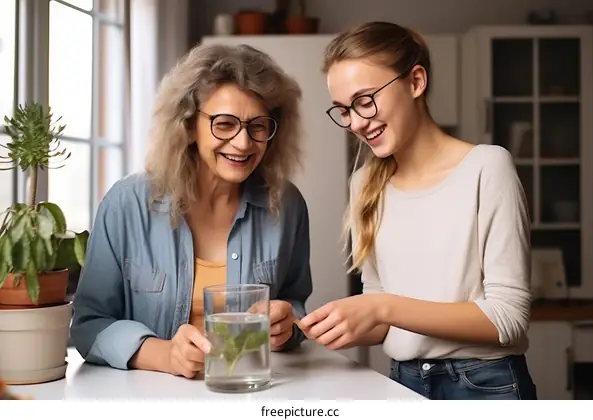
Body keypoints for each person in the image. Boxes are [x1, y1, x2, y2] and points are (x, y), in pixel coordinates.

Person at [297, 21, 537, 400]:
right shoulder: (364, 185)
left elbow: (507, 319)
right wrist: (319, 325)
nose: (357, 122)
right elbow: (382, 320)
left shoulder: (487, 168)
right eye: (344, 110)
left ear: (416, 82)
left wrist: (382, 307)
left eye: (365, 100)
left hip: (486, 386)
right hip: (402, 382)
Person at [70, 43, 313, 379]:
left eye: (258, 126)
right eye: (225, 124)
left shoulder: (287, 206)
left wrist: (288, 325)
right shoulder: (126, 204)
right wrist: (164, 354)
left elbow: (295, 303)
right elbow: (88, 324)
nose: (243, 143)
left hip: (251, 392)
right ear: (187, 125)